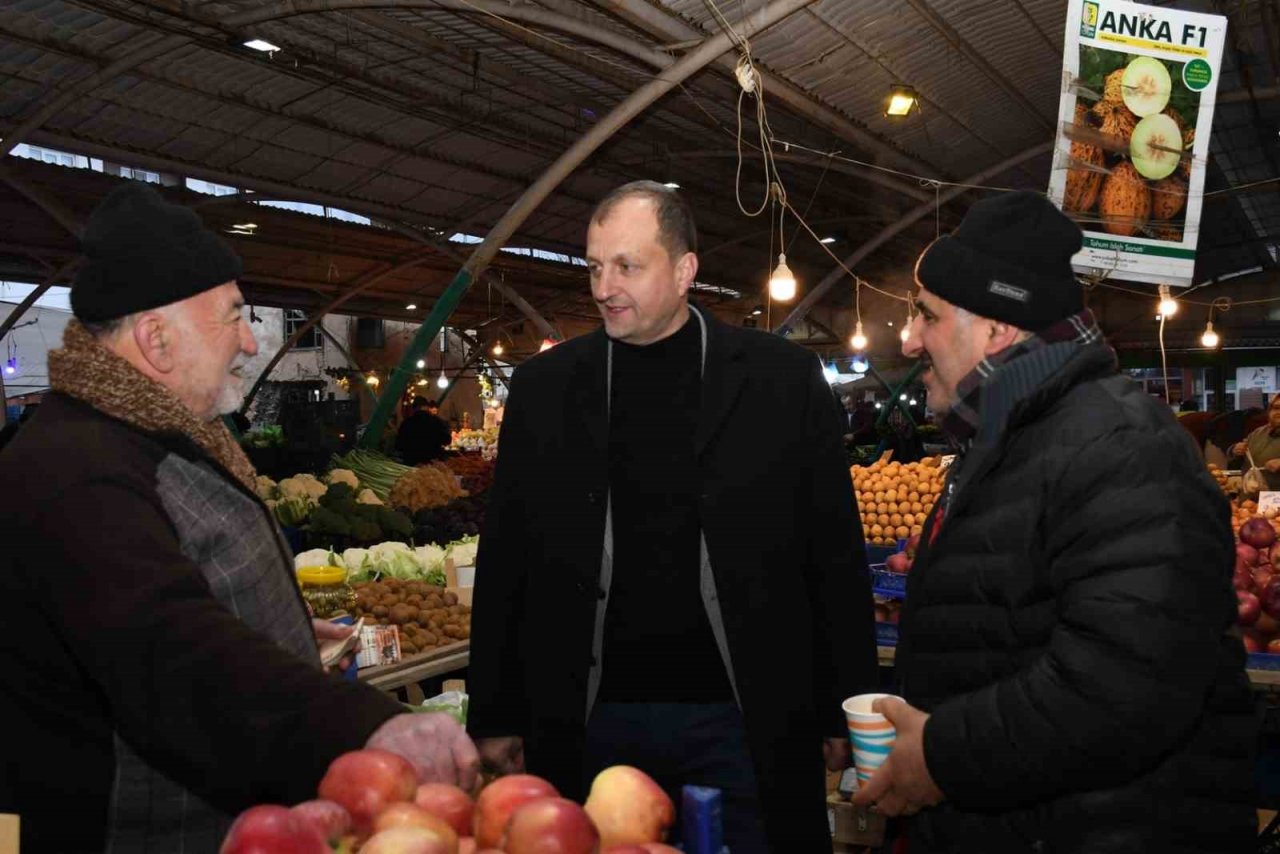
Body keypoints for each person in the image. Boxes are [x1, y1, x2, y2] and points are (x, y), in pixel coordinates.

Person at [0, 184, 478, 852]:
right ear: (156, 339)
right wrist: (367, 725)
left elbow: (175, 585)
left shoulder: (149, 431)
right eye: (233, 317)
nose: (252, 343)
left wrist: (271, 615)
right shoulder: (74, 470)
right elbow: (168, 650)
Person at [467, 181, 878, 853]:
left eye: (626, 266)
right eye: (594, 266)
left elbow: (831, 551)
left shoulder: (779, 380)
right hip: (588, 712)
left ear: (686, 270)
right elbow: (506, 555)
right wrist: (494, 709)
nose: (604, 286)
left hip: (745, 714)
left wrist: (845, 701)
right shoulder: (546, 390)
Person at [852, 191, 1256, 852]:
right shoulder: (1013, 440)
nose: (909, 338)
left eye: (925, 315)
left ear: (996, 329)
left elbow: (1122, 690)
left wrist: (943, 756)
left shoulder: (1124, 449)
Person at [1232, 395, 1280, 490]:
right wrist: (1235, 450)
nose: (1279, 412)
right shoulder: (1258, 433)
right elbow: (1238, 456)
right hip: (1249, 499)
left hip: (1275, 501)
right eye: (1276, 408)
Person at [396, 395, 452, 464]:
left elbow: (399, 445)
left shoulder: (407, 423)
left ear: (413, 408)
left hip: (411, 463)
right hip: (432, 463)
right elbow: (447, 440)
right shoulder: (437, 421)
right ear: (427, 407)